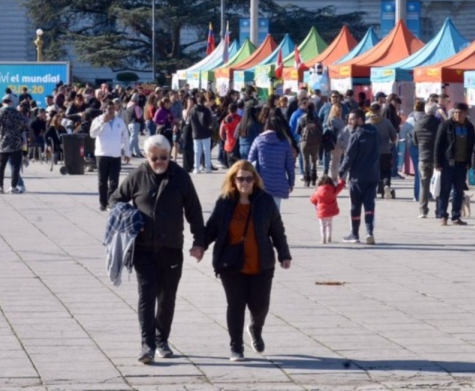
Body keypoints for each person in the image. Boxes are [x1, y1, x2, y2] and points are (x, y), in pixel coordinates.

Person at [109, 135, 206, 365]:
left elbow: (194, 211)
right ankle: (147, 344)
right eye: (155, 158)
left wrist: (199, 242)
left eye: (164, 157)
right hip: (142, 248)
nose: (160, 161)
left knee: (167, 298)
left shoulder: (180, 176)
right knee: (146, 295)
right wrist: (128, 216)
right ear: (146, 156)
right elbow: (115, 199)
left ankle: (162, 339)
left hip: (171, 247)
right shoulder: (137, 176)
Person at [201, 161, 291, 362]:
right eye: (240, 178)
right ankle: (236, 347)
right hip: (231, 264)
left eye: (248, 178)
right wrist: (200, 246)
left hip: (261, 263)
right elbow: (212, 228)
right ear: (233, 180)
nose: (244, 182)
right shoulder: (224, 202)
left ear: (255, 180)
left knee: (260, 306)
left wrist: (284, 254)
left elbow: (277, 230)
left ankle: (255, 328)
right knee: (235, 304)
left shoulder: (265, 201)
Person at [338, 109, 381, 245]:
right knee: (369, 205)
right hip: (373, 175)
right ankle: (369, 232)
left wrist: (341, 171)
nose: (350, 122)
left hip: (358, 177)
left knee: (355, 206)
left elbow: (349, 156)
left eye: (352, 119)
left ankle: (355, 234)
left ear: (360, 119)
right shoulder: (375, 133)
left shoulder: (356, 135)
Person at [434, 103, 475, 226]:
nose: (457, 114)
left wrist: (470, 162)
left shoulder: (469, 127)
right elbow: (438, 145)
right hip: (448, 163)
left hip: (462, 164)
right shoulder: (446, 125)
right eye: (455, 112)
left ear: (465, 113)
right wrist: (437, 163)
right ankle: (443, 215)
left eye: (460, 112)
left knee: (458, 191)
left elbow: (472, 145)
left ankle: (456, 216)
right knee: (445, 190)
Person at [90, 100, 132, 211]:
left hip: (115, 155)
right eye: (108, 109)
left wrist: (127, 152)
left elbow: (126, 137)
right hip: (102, 154)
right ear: (104, 109)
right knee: (102, 181)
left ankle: (111, 202)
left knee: (114, 181)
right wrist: (102, 123)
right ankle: (103, 203)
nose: (111, 111)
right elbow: (92, 134)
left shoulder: (120, 121)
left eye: (113, 109)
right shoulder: (98, 120)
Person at [247, 117, 295, 209]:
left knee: (261, 213)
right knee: (275, 214)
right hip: (278, 183)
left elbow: (250, 162)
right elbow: (290, 166)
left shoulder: (258, 141)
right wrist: (291, 182)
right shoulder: (284, 143)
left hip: (261, 183)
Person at [0, 94, 28, 194]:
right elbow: (23, 125)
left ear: (3, 103)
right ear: (11, 103)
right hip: (15, 142)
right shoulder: (16, 112)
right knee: (15, 166)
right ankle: (13, 186)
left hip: (2, 143)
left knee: (1, 166)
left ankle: (0, 186)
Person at [411, 103, 440, 219]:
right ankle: (439, 210)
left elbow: (415, 141)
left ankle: (423, 210)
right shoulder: (439, 124)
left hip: (423, 157)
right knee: (438, 185)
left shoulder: (417, 124)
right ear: (434, 112)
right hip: (436, 158)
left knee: (424, 185)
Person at [367, 103, 397, 199]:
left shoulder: (368, 123)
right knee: (386, 171)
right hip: (385, 151)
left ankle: (374, 189)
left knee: (373, 171)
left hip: (371, 152)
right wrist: (392, 142)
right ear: (379, 111)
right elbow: (394, 136)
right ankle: (386, 185)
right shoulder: (386, 122)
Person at [309, 175, 344, 244]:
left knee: (322, 225)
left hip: (321, 212)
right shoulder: (333, 190)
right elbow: (340, 187)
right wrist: (341, 180)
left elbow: (312, 199)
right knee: (329, 224)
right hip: (331, 211)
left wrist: (316, 203)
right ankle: (329, 237)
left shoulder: (318, 192)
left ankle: (323, 238)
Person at [296, 103, 323, 187]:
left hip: (304, 142)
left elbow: (298, 131)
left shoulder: (302, 119)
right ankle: (314, 179)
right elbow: (321, 130)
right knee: (314, 161)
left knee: (305, 160)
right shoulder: (317, 119)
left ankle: (306, 180)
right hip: (315, 142)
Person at [188, 95, 215, 173]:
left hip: (196, 132)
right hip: (206, 132)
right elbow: (210, 121)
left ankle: (196, 167)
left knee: (197, 151)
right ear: (203, 101)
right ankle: (208, 167)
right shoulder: (206, 110)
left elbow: (190, 121)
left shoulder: (192, 110)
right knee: (206, 151)